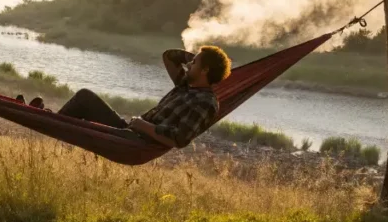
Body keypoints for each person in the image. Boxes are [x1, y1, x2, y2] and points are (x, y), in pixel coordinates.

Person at [21, 46, 232, 149]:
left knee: (85, 98)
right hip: (130, 131)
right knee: (85, 100)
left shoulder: (206, 102)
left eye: (194, 63)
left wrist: (143, 126)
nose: (188, 65)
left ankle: (47, 118)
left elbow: (180, 138)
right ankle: (47, 117)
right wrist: (194, 55)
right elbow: (169, 56)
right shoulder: (185, 86)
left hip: (136, 141)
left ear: (204, 71)